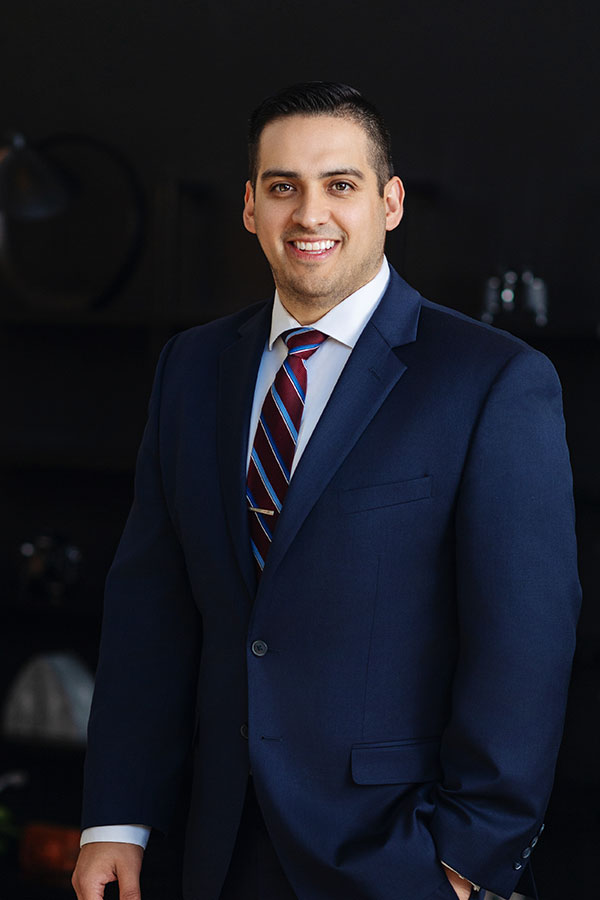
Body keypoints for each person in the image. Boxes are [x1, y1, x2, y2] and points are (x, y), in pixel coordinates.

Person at [72, 82, 580, 900]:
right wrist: (116, 821)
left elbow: (525, 641)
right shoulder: (190, 369)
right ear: (250, 207)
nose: (310, 214)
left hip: (396, 855)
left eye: (339, 184)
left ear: (391, 202)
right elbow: (150, 613)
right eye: (283, 187)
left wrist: (467, 859)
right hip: (212, 847)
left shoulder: (493, 381)